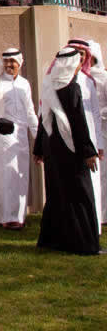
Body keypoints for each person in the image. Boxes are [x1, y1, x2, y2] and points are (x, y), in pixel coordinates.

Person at [34, 47, 100, 254]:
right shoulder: (72, 88)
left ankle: (55, 241)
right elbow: (78, 123)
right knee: (81, 194)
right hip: (71, 150)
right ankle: (84, 245)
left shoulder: (48, 86)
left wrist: (39, 148)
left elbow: (42, 120)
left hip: (52, 148)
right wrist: (89, 152)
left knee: (57, 193)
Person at [0, 48, 38, 229]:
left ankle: (19, 217)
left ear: (19, 63)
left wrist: (40, 137)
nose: (9, 65)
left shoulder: (25, 84)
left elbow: (30, 112)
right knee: (5, 177)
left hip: (21, 137)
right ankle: (6, 218)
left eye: (13, 62)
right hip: (2, 135)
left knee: (21, 175)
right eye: (6, 61)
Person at [66, 38, 103, 232]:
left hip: (91, 141)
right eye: (75, 53)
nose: (79, 58)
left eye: (82, 54)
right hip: (70, 140)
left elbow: (95, 115)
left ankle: (93, 226)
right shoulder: (61, 79)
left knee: (93, 184)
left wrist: (99, 143)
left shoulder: (88, 81)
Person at [89, 40, 107, 225]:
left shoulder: (104, 78)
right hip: (87, 132)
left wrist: (98, 115)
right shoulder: (81, 78)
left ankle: (103, 214)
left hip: (103, 131)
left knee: (103, 174)